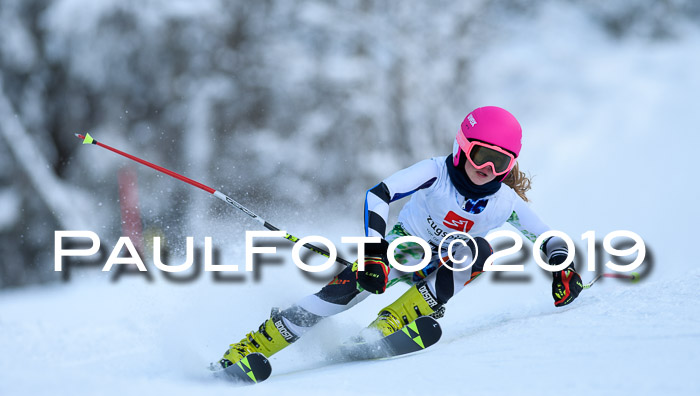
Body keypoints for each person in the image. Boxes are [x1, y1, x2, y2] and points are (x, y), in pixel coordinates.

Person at [217, 106, 584, 368]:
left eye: (499, 163)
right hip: (403, 249)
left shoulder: (505, 201)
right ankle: (249, 349)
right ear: (462, 147)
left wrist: (562, 267)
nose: (486, 170)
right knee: (341, 294)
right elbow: (379, 194)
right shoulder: (435, 172)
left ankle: (388, 326)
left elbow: (545, 237)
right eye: (480, 155)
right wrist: (375, 252)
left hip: (446, 265)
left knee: (480, 250)